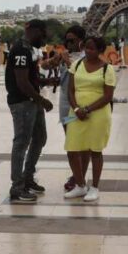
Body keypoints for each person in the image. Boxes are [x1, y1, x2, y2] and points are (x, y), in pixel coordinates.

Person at [5, 19, 55, 203]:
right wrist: (42, 99)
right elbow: (22, 82)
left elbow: (29, 79)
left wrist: (45, 83)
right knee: (21, 143)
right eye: (42, 36)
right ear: (33, 31)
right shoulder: (21, 50)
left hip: (31, 100)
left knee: (40, 138)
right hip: (23, 102)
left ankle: (27, 177)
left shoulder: (28, 50)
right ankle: (17, 187)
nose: (43, 40)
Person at [64, 35, 116, 202]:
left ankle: (94, 187)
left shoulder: (108, 69)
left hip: (98, 114)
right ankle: (80, 185)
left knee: (95, 150)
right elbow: (70, 90)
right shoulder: (76, 64)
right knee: (72, 149)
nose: (87, 51)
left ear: (100, 51)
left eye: (92, 48)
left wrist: (87, 109)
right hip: (76, 112)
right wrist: (77, 108)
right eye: (86, 47)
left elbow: (108, 96)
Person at [55, 25, 87, 191]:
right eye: (66, 40)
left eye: (72, 40)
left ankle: (78, 177)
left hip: (79, 105)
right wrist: (53, 61)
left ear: (81, 41)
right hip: (65, 105)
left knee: (80, 142)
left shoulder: (86, 56)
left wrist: (67, 60)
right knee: (71, 141)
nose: (68, 43)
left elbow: (82, 75)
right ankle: (77, 175)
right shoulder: (65, 55)